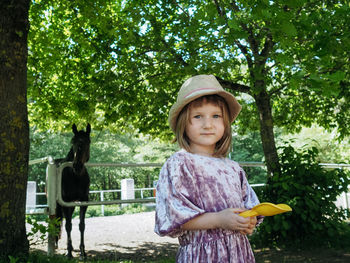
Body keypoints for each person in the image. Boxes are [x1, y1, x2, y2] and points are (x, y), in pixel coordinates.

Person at [154, 74, 263, 262]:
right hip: (202, 255)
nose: (208, 124)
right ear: (183, 122)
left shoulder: (233, 168)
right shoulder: (179, 164)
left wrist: (248, 221)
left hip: (239, 253)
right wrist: (219, 220)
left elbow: (249, 206)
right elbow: (174, 215)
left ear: (225, 122)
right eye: (198, 116)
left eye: (216, 116)